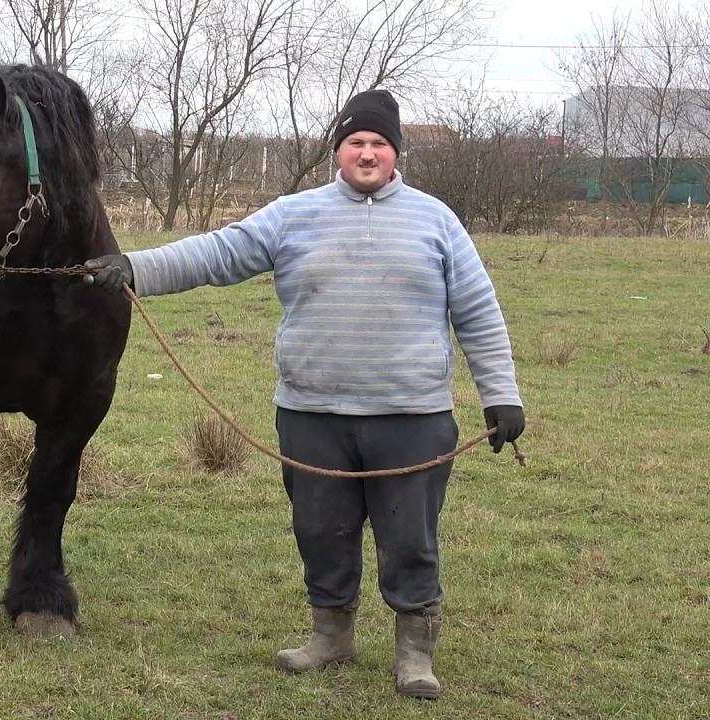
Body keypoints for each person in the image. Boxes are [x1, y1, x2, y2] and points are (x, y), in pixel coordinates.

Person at [83, 88, 524, 700]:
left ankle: (415, 655)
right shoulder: (292, 215)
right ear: (337, 152)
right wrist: (136, 267)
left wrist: (501, 395)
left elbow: (478, 311)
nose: (367, 154)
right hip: (312, 412)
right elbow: (218, 252)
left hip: (412, 416)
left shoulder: (436, 220)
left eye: (378, 144)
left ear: (396, 154)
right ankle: (331, 637)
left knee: (410, 538)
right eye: (355, 143)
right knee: (321, 529)